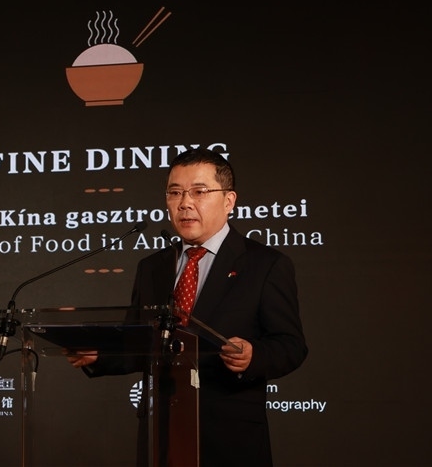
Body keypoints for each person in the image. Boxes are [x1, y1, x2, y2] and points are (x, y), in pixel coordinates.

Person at [67, 147, 308, 466]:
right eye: (175, 192)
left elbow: (291, 345)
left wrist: (254, 356)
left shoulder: (265, 265)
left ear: (229, 201)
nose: (184, 203)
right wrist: (100, 354)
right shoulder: (152, 267)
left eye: (199, 191)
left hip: (230, 440)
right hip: (163, 434)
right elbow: (139, 343)